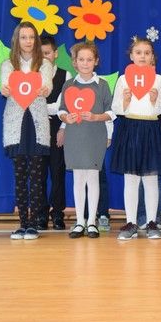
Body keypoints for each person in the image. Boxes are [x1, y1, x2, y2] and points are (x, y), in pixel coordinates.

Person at [111, 37, 161, 240]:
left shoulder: (159, 79)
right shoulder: (123, 79)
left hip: (151, 129)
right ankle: (131, 222)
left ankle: (152, 221)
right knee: (131, 179)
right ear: (131, 56)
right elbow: (116, 108)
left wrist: (155, 101)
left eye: (147, 53)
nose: (143, 56)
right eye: (138, 52)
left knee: (151, 179)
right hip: (130, 128)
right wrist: (125, 101)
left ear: (152, 56)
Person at [1, 22, 53, 240]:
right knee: (20, 176)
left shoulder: (44, 64)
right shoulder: (7, 64)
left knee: (37, 177)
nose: (28, 41)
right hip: (16, 125)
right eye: (23, 37)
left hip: (37, 123)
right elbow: (6, 86)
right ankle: (22, 223)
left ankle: (33, 224)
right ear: (17, 40)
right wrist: (5, 89)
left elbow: (47, 86)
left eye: (31, 37)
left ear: (36, 40)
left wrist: (45, 89)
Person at [58, 42, 113, 239]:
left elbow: (111, 112)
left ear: (96, 61)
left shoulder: (102, 85)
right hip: (75, 136)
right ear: (74, 62)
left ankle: (91, 222)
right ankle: (80, 221)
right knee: (78, 179)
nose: (85, 63)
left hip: (95, 136)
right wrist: (66, 118)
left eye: (89, 59)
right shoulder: (68, 85)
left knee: (93, 177)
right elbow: (61, 109)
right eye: (81, 59)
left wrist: (97, 117)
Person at [39, 34, 70, 230]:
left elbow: (63, 106)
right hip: (37, 129)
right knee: (39, 173)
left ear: (55, 53)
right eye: (40, 54)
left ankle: (57, 213)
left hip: (58, 128)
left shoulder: (65, 76)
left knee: (58, 173)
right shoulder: (33, 76)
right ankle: (40, 214)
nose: (44, 57)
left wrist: (63, 128)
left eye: (48, 53)